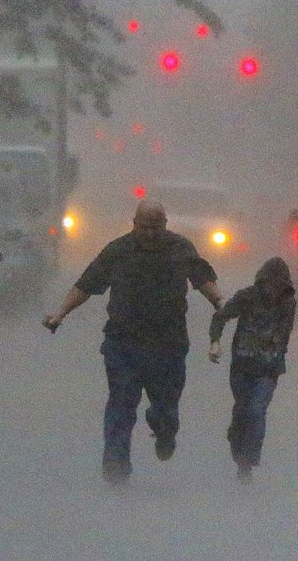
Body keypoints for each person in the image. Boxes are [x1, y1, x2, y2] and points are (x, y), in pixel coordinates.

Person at [43, 199, 223, 485]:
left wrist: (219, 302)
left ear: (165, 225)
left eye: (156, 228)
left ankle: (164, 430)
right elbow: (87, 284)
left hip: (168, 345)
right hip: (123, 344)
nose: (150, 234)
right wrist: (60, 313)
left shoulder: (181, 249)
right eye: (144, 227)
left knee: (166, 408)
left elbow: (202, 278)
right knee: (121, 403)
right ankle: (116, 467)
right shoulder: (118, 251)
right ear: (134, 224)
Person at [208, 257, 296, 484]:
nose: (274, 290)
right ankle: (238, 442)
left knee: (256, 410)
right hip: (242, 367)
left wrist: (274, 350)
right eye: (270, 284)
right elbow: (221, 317)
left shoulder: (288, 304)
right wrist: (215, 342)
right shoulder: (246, 297)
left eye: (279, 285)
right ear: (262, 282)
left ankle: (247, 462)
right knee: (242, 410)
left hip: (268, 370)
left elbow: (284, 335)